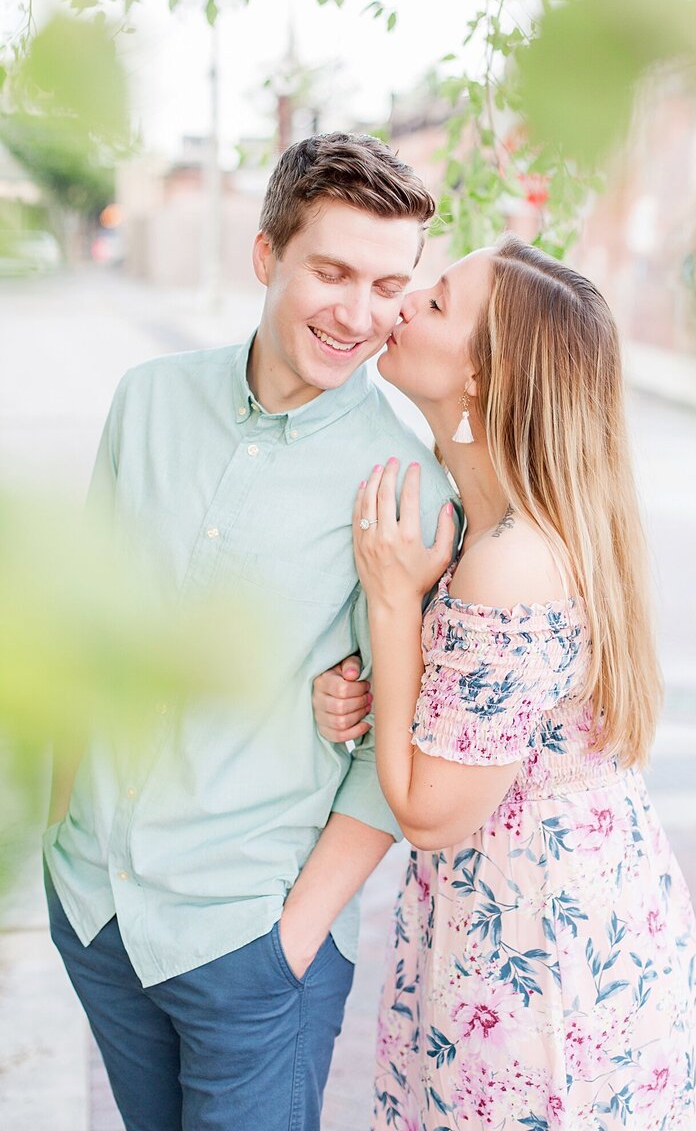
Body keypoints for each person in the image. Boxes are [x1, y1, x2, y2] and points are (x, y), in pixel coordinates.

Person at [43, 133, 459, 1131]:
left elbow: (392, 750)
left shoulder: (407, 486)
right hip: (99, 906)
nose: (359, 314)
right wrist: (60, 835)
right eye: (332, 271)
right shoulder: (147, 401)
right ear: (266, 253)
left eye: (388, 285)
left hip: (249, 941)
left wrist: (291, 939)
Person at [313, 236, 696, 1130]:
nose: (401, 304)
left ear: (484, 376)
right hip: (572, 921)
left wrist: (395, 605)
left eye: (433, 303)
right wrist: (364, 703)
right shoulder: (502, 524)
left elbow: (431, 812)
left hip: (536, 951)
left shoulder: (511, 561)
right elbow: (469, 731)